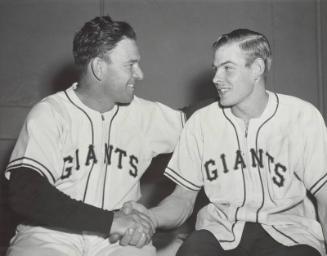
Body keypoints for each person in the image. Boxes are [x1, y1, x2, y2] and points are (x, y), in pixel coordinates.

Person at [123, 28, 327, 256]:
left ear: (257, 69)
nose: (216, 78)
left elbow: (325, 196)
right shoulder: (202, 122)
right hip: (220, 233)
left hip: (291, 235)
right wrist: (150, 217)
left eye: (228, 68)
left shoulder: (301, 116)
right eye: (216, 68)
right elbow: (183, 198)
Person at [4, 15, 185, 256]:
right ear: (99, 68)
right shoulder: (51, 113)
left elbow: (203, 122)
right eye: (130, 65)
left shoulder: (145, 114)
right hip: (49, 233)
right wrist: (111, 221)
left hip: (119, 239)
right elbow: (26, 193)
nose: (139, 74)